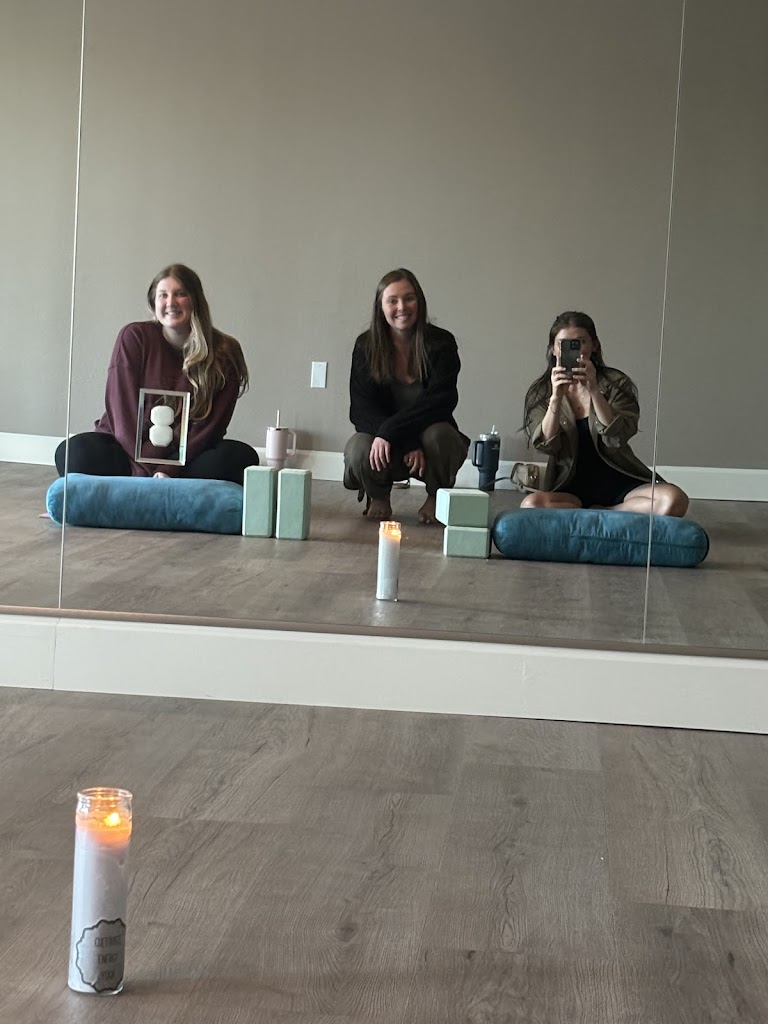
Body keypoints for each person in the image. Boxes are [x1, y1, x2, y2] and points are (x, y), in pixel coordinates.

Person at [55, 264, 258, 483]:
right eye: (163, 295)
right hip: (127, 450)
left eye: (180, 294)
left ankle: (143, 484)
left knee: (241, 458)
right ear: (154, 303)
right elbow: (122, 413)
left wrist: (169, 469)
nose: (171, 302)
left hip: (188, 456)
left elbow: (212, 428)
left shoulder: (225, 350)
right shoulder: (134, 336)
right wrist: (147, 470)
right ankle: (156, 484)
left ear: (195, 300)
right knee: (72, 453)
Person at [521, 311, 688, 516]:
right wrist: (556, 397)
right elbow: (546, 445)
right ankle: (607, 514)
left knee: (674, 500)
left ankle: (605, 511)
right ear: (553, 350)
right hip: (569, 485)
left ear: (594, 345)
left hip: (619, 479)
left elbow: (618, 437)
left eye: (580, 342)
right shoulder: (542, 392)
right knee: (531, 505)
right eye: (564, 344)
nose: (575, 349)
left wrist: (594, 390)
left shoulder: (616, 383)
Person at [344, 268, 469, 524]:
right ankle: (378, 495)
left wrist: (398, 434)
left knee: (440, 434)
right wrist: (406, 442)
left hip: (429, 446)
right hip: (391, 446)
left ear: (419, 301)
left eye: (409, 298)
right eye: (393, 300)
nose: (402, 307)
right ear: (380, 307)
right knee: (358, 447)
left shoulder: (442, 343)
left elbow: (441, 402)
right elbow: (361, 410)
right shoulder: (365, 346)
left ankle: (436, 496)